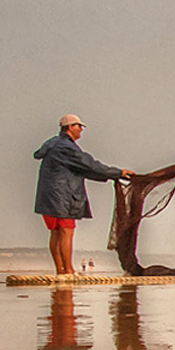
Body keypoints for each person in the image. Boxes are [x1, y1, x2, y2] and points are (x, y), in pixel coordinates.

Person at [34, 114, 134, 278]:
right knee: (66, 231)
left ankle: (60, 270)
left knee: (56, 232)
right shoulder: (66, 147)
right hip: (62, 196)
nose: (81, 130)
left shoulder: (53, 144)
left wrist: (113, 175)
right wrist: (118, 172)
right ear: (70, 127)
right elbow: (89, 164)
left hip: (49, 196)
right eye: (79, 126)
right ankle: (68, 270)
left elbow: (83, 169)